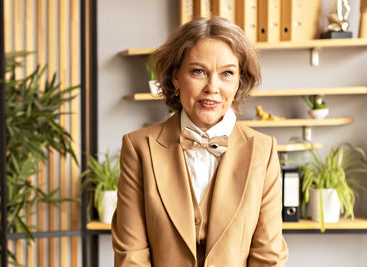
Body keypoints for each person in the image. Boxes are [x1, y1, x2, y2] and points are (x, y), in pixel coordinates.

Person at [112, 16, 288, 267]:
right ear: (175, 77)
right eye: (198, 72)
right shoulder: (138, 148)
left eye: (227, 73)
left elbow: (268, 257)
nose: (212, 87)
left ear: (239, 81)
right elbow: (131, 256)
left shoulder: (263, 150)